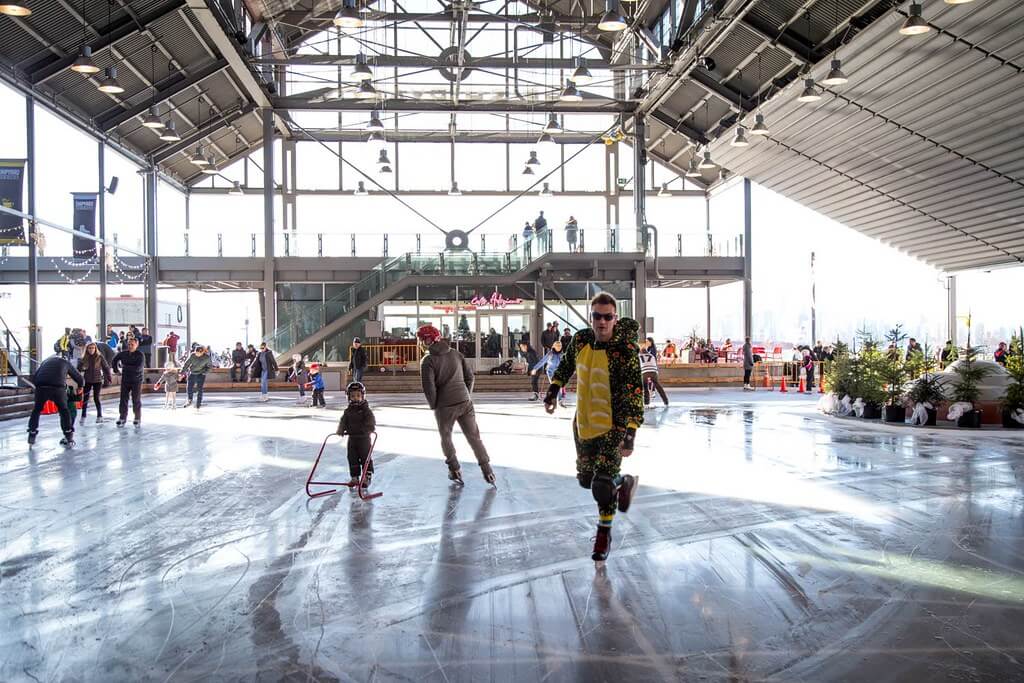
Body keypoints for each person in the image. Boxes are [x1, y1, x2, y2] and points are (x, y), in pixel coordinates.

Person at [544, 292, 642, 562]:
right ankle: (625, 482)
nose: (601, 322)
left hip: (614, 425)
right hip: (584, 423)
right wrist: (553, 390)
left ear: (615, 319)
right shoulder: (581, 340)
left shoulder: (625, 352)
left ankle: (603, 534)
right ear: (591, 317)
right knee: (587, 481)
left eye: (607, 317)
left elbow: (635, 392)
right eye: (597, 316)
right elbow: (564, 368)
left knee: (601, 486)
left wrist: (631, 432)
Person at [418, 324, 495, 485]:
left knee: (446, 436)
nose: (419, 343)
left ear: (426, 341)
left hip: (445, 405)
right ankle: (487, 470)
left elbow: (429, 387)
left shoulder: (428, 360)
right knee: (474, 438)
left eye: (420, 340)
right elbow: (470, 377)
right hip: (465, 402)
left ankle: (454, 469)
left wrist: (435, 405)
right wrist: (465, 394)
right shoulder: (456, 354)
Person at [27, 353, 84, 446]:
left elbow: (35, 376)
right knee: (64, 410)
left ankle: (32, 432)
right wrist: (80, 386)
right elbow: (78, 377)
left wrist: (39, 386)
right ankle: (68, 434)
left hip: (41, 387)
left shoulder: (45, 362)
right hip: (57, 388)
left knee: (36, 410)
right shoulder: (65, 362)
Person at [337, 381, 376, 487]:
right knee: (352, 457)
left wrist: (368, 428)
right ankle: (354, 477)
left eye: (358, 396)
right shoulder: (348, 411)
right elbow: (343, 420)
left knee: (365, 457)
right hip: (352, 438)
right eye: (353, 396)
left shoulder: (365, 410)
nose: (355, 398)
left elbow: (371, 420)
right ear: (349, 397)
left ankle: (367, 476)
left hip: (364, 438)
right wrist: (341, 429)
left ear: (363, 396)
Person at [111, 336, 145, 427]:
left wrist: (125, 367)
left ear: (136, 345)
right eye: (129, 344)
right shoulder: (123, 354)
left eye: (132, 345)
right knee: (123, 399)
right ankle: (122, 417)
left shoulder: (140, 355)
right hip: (125, 380)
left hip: (136, 380)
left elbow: (138, 368)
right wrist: (116, 370)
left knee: (136, 399)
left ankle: (137, 418)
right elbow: (114, 360)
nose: (130, 346)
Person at [77, 341, 112, 424]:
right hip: (87, 380)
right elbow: (79, 369)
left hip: (97, 380)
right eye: (89, 348)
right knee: (85, 398)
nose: (91, 350)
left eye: (93, 348)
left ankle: (99, 416)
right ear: (87, 349)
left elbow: (106, 367)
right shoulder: (84, 358)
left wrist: (109, 376)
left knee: (96, 398)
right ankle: (83, 416)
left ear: (95, 349)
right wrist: (82, 367)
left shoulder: (99, 357)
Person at [532, 339, 567, 407]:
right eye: (557, 346)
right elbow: (542, 361)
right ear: (554, 346)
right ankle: (557, 400)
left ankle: (558, 400)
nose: (559, 347)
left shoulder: (562, 354)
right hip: (550, 372)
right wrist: (535, 368)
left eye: (560, 346)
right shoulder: (550, 354)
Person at [639, 337, 669, 406]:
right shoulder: (651, 355)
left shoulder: (639, 356)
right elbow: (654, 364)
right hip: (653, 371)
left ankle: (646, 403)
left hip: (644, 372)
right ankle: (666, 402)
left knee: (645, 387)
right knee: (658, 387)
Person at [181, 345, 213, 409]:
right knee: (189, 387)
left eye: (199, 353)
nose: (197, 354)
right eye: (196, 353)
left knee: (199, 389)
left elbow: (210, 367)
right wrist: (182, 372)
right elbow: (187, 364)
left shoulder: (206, 357)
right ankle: (189, 400)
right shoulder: (192, 355)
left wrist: (204, 372)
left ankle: (198, 403)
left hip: (201, 374)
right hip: (192, 373)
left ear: (202, 352)